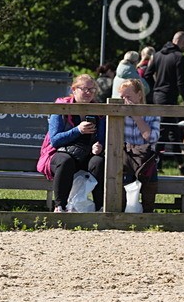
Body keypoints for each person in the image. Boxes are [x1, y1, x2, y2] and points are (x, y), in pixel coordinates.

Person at [45, 74, 106, 213]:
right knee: (66, 161)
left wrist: (99, 146)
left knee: (99, 162)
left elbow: (101, 138)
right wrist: (77, 130)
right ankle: (60, 206)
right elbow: (54, 140)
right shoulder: (61, 108)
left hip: (87, 153)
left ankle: (101, 207)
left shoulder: (99, 110)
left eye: (92, 89)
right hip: (61, 152)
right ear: (74, 89)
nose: (88, 93)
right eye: (84, 89)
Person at [144, 32, 184, 154]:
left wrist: (156, 87)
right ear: (183, 42)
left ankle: (180, 164)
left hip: (157, 96)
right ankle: (154, 162)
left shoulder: (157, 55)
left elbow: (147, 75)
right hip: (169, 97)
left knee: (172, 129)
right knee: (164, 131)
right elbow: (181, 83)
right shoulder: (179, 57)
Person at [120, 79, 160, 212]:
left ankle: (148, 213)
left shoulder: (152, 112)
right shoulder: (118, 113)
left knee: (150, 176)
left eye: (128, 97)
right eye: (122, 97)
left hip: (145, 156)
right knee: (123, 174)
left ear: (139, 95)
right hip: (125, 154)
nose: (125, 101)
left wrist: (137, 117)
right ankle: (122, 210)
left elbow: (150, 137)